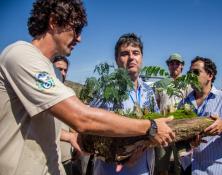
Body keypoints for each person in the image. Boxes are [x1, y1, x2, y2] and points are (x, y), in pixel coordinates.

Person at [0, 1, 175, 175]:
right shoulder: (21, 55)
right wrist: (150, 127)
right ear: (53, 22)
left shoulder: (51, 71)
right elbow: (82, 117)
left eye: (136, 53)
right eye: (76, 29)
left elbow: (46, 125)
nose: (79, 38)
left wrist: (70, 137)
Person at [88, 33, 159, 175]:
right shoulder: (106, 89)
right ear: (117, 60)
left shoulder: (148, 91)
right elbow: (90, 130)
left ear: (141, 58)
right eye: (125, 54)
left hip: (144, 168)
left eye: (136, 53)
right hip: (112, 170)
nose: (131, 57)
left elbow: (156, 123)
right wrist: (121, 159)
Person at [178, 56, 222, 175]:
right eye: (189, 73)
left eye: (196, 72)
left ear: (210, 75)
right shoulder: (184, 102)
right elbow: (178, 135)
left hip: (213, 170)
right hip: (188, 167)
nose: (191, 76)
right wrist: (188, 142)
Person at [154, 53, 191, 175]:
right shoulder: (160, 84)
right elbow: (156, 104)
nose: (174, 65)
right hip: (163, 129)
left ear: (182, 66)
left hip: (181, 129)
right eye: (171, 63)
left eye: (177, 63)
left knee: (181, 167)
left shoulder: (188, 84)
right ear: (168, 66)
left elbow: (191, 107)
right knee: (161, 165)